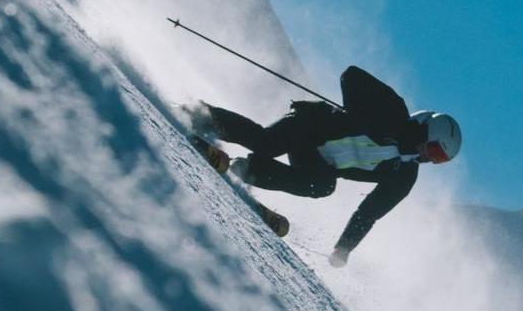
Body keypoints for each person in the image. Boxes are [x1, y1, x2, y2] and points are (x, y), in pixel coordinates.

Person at [183, 66, 461, 267]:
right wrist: (365, 117)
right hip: (311, 125)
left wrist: (344, 247)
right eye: (434, 150)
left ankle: (244, 169)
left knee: (323, 186)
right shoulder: (394, 111)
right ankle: (197, 114)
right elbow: (351, 75)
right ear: (425, 129)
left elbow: (370, 213)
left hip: (318, 160)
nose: (429, 159)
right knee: (265, 142)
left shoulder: (404, 175)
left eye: (439, 160)